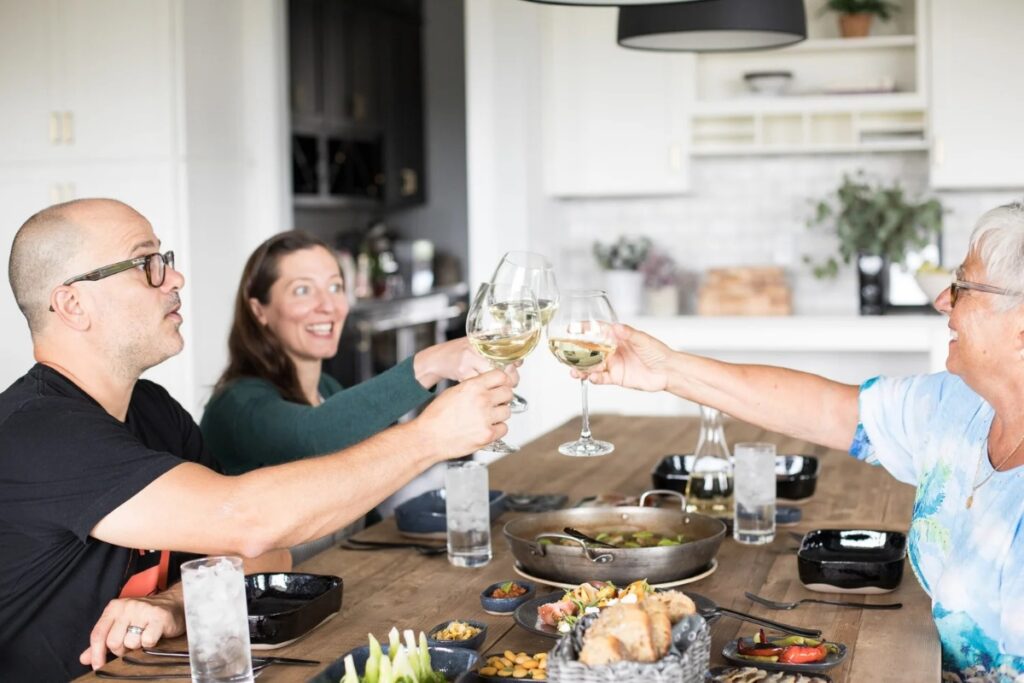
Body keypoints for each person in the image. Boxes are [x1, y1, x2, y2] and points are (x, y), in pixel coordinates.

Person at [0, 198, 513, 680]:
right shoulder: (35, 432)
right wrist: (429, 436)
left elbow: (269, 555)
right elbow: (249, 522)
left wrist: (173, 603)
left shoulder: (151, 409)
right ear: (71, 303)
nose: (174, 277)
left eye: (166, 259)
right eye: (146, 264)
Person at [584, 203, 1024, 681]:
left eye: (962, 286)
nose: (943, 299)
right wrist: (665, 369)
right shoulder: (958, 405)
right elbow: (827, 409)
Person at [200, 231, 496, 475]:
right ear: (259, 310)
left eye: (335, 287)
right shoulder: (237, 405)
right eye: (303, 290)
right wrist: (429, 364)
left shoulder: (327, 390)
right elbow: (313, 438)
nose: (328, 305)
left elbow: (366, 484)